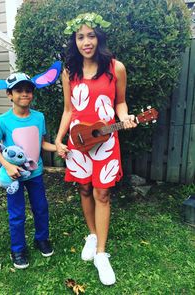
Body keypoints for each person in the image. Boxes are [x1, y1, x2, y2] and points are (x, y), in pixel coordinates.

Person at [55, 13, 137, 285]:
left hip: (105, 141)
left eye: (91, 35)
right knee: (84, 188)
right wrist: (59, 138)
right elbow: (69, 110)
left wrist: (124, 117)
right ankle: (92, 235)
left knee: (102, 193)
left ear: (99, 37)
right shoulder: (70, 72)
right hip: (78, 140)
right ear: (74, 41)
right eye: (80, 37)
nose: (86, 42)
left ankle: (102, 253)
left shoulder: (116, 68)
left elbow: (120, 103)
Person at [0, 73, 56, 269]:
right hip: (14, 177)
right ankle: (18, 249)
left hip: (35, 174)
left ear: (32, 94)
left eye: (28, 90)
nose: (24, 94)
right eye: (19, 90)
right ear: (9, 94)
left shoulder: (39, 117)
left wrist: (59, 148)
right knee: (17, 213)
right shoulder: (2, 120)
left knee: (41, 208)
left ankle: (41, 239)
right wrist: (7, 165)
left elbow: (42, 143)